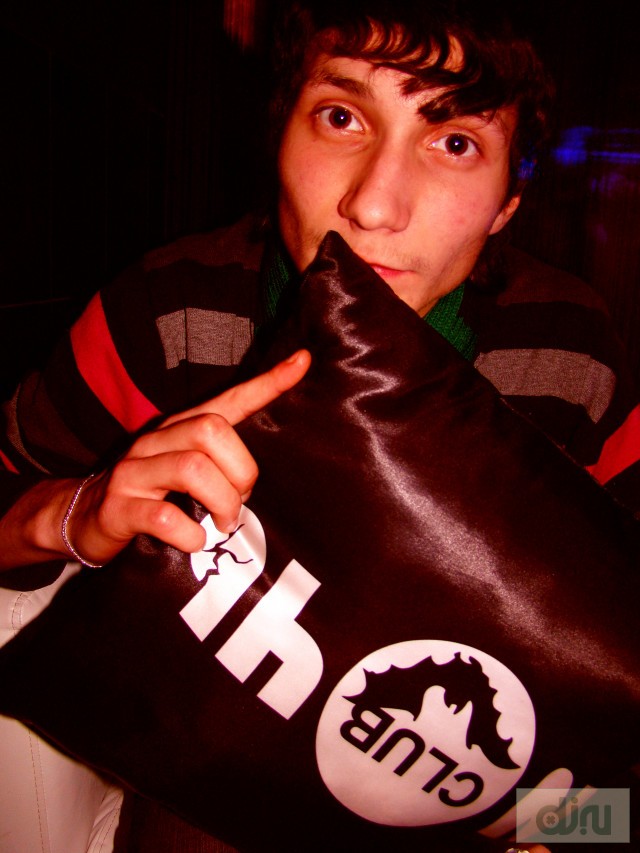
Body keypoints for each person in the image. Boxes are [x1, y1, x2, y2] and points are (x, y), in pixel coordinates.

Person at [0, 0, 638, 851]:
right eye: (342, 117)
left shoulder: (567, 352)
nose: (374, 204)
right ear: (280, 137)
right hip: (221, 784)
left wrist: (568, 825)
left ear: (507, 203)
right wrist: (78, 512)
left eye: (454, 141)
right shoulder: (169, 316)